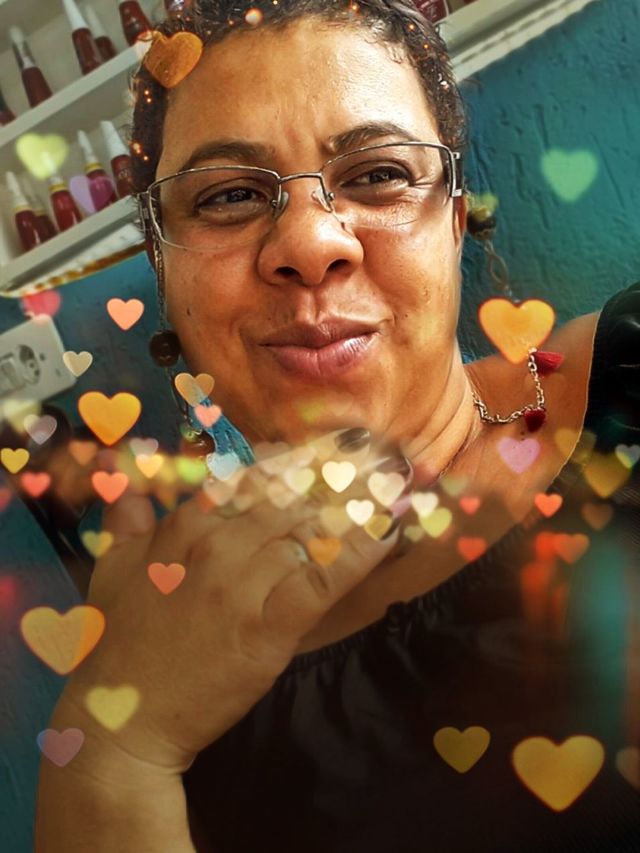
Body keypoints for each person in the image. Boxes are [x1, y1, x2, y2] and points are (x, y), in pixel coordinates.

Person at [35, 1, 640, 851]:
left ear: (455, 216)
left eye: (379, 173)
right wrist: (115, 752)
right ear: (163, 266)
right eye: (230, 195)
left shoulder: (628, 381)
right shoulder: (160, 630)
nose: (311, 243)